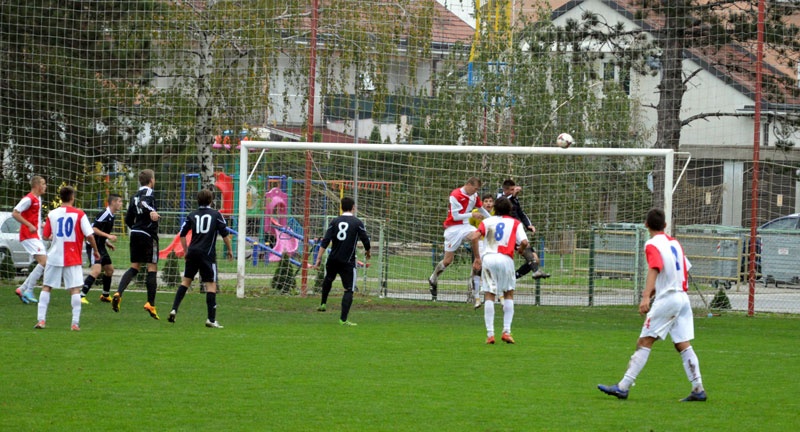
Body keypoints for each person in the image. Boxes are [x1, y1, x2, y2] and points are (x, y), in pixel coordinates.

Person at [598, 208, 707, 402]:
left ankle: (623, 387)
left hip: (669, 299)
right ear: (665, 225)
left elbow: (655, 267)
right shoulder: (675, 243)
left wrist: (646, 296)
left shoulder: (651, 244)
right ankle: (698, 388)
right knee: (682, 344)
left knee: (644, 341)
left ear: (646, 224)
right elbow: (682, 269)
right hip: (683, 298)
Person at [35, 186, 100, 331]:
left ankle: (41, 320)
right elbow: (90, 236)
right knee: (74, 289)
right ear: (72, 197)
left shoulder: (52, 214)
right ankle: (75, 323)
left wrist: (56, 238)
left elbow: (45, 235)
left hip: (54, 256)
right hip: (72, 257)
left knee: (47, 287)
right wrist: (96, 251)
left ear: (61, 198)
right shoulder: (79, 214)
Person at [167, 189, 233, 328]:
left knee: (186, 281)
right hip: (207, 254)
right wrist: (230, 250)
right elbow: (225, 235)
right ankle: (211, 319)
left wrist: (186, 251)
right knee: (211, 285)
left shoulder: (192, 214)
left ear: (197, 200)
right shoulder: (216, 215)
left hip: (192, 252)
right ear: (211, 200)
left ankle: (174, 309)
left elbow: (182, 234)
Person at [466, 197, 526, 344]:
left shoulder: (487, 221)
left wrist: (477, 258)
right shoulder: (515, 223)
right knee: (508, 293)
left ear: (495, 209)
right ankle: (506, 332)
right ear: (510, 209)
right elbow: (524, 242)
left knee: (489, 294)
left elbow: (474, 237)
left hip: (489, 258)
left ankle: (490, 334)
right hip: (506, 259)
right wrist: (521, 250)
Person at [428, 177, 491, 301]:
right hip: (453, 229)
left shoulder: (474, 195)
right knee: (447, 261)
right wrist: (472, 214)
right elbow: (455, 216)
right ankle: (433, 278)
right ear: (469, 185)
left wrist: (492, 219)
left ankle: (477, 281)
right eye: (475, 188)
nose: (476, 191)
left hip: (466, 226)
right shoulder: (455, 195)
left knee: (477, 237)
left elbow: (481, 209)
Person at [311, 197, 371, 326]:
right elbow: (365, 240)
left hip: (333, 259)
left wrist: (318, 258)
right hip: (347, 261)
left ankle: (323, 303)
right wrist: (368, 251)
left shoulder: (334, 221)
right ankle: (343, 320)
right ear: (353, 207)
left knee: (328, 278)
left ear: (341, 207)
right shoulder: (357, 223)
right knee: (349, 289)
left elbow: (325, 241)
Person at [112, 169, 161, 320]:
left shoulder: (134, 196)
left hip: (135, 233)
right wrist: (152, 211)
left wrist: (135, 228)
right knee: (152, 267)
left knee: (134, 267)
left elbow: (128, 219)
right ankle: (151, 303)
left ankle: (119, 292)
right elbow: (144, 203)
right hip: (148, 235)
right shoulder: (149, 193)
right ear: (151, 180)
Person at [497, 179, 550, 280]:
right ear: (505, 190)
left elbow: (521, 213)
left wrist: (528, 225)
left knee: (535, 259)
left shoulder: (514, 200)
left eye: (514, 189)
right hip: (508, 231)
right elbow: (502, 203)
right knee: (525, 248)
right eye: (511, 190)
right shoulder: (500, 198)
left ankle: (514, 276)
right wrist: (513, 196)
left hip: (517, 228)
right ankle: (535, 271)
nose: (514, 191)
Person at [80, 194, 123, 304]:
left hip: (101, 245)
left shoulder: (112, 215)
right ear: (113, 202)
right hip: (93, 245)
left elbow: (101, 231)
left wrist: (107, 242)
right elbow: (94, 229)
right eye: (119, 201)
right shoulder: (104, 214)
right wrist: (109, 236)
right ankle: (81, 296)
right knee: (96, 271)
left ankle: (105, 295)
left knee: (109, 270)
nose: (121, 204)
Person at [12, 176, 48, 304]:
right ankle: (29, 290)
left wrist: (41, 225)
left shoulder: (38, 199)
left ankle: (22, 289)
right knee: (44, 261)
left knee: (44, 262)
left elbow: (33, 217)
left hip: (35, 236)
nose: (45, 186)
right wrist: (29, 225)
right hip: (28, 235)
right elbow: (15, 213)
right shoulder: (28, 199)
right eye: (43, 184)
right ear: (37, 185)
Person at [467, 194, 494, 308]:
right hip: (480, 243)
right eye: (486, 201)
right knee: (477, 268)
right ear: (482, 203)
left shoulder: (496, 213)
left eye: (490, 201)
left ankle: (496, 294)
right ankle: (476, 297)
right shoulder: (475, 213)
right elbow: (469, 227)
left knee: (491, 267)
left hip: (492, 244)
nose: (488, 203)